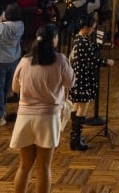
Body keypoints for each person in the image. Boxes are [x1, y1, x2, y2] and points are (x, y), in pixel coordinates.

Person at [10, 24, 74, 193]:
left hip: (24, 116)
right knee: (44, 167)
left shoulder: (25, 60)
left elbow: (15, 88)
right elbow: (70, 82)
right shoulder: (60, 60)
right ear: (53, 40)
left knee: (24, 166)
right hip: (48, 117)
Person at [69, 14, 113, 150]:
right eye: (92, 28)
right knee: (82, 107)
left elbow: (90, 52)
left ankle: (74, 137)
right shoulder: (83, 42)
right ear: (86, 27)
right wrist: (107, 62)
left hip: (78, 78)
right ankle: (76, 140)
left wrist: (99, 44)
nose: (93, 31)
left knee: (76, 106)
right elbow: (93, 60)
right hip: (83, 79)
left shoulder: (78, 39)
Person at [0, 3, 26, 127]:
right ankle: (0, 109)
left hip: (0, 59)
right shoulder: (21, 25)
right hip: (13, 58)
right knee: (5, 86)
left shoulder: (1, 27)